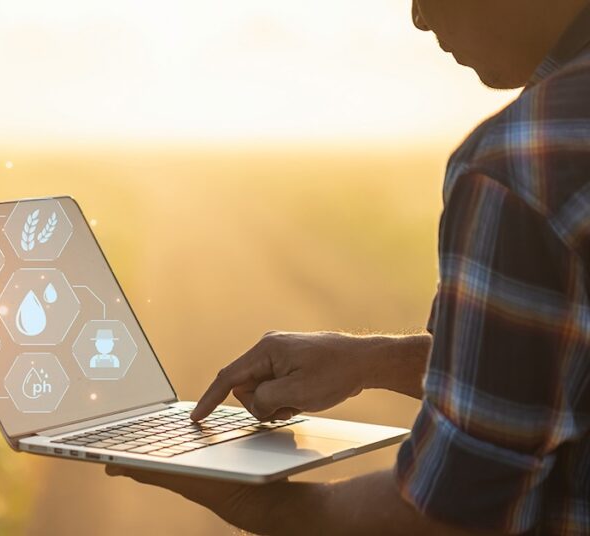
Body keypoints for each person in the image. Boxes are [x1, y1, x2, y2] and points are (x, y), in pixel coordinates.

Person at [107, 1, 590, 534]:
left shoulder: (520, 165)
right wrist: (375, 361)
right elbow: (564, 367)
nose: (419, 19)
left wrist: (250, 504)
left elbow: (445, 519)